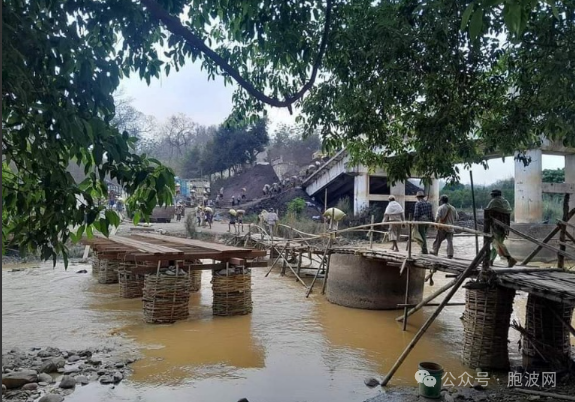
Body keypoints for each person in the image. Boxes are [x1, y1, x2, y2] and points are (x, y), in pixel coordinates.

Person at [485, 189, 517, 267]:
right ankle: (491, 260)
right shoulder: (505, 202)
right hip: (505, 227)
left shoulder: (494, 202)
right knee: (495, 244)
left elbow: (487, 211)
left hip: (496, 227)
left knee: (497, 244)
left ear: (493, 195)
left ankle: (509, 258)